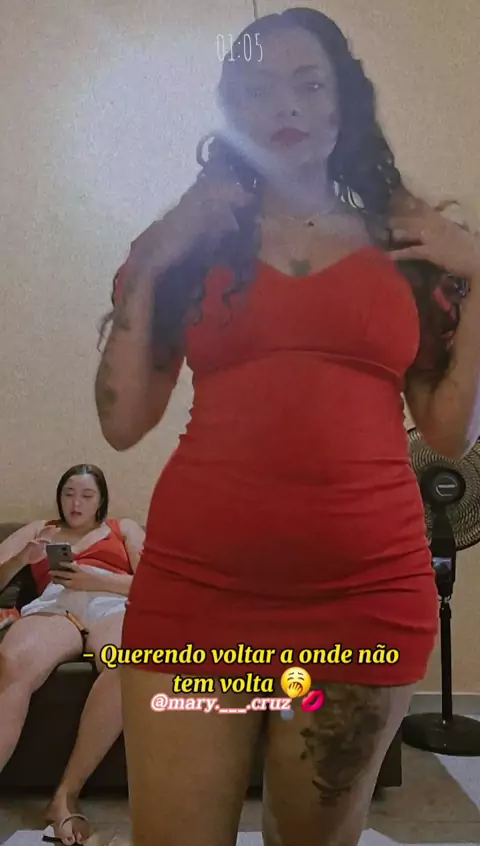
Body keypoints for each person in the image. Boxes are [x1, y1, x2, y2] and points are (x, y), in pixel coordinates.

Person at [95, 8, 480, 846]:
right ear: (231, 109)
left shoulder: (409, 247)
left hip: (363, 607)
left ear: (344, 102)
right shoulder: (187, 247)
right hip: (196, 599)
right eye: (261, 88)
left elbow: (450, 433)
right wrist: (154, 256)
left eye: (310, 84)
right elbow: (122, 422)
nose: (288, 105)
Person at [0, 464, 144, 845]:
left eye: (86, 495)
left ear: (101, 501)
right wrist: (23, 559)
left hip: (110, 602)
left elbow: (154, 583)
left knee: (127, 661)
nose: (76, 503)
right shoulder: (40, 529)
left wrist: (97, 579)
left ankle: (64, 797)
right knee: (12, 662)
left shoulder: (123, 529)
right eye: (69, 494)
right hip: (55, 604)